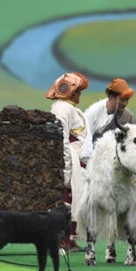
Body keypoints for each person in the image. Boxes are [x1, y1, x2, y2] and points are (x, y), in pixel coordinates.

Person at [45, 71, 91, 251]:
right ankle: (63, 240)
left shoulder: (69, 108)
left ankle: (70, 240)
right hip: (70, 159)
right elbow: (62, 138)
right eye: (78, 91)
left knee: (74, 199)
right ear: (70, 92)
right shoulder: (63, 108)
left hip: (77, 161)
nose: (80, 95)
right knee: (67, 200)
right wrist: (66, 167)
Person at [83, 78, 136, 162]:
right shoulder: (93, 113)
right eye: (122, 99)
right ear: (112, 97)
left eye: (127, 100)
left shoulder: (128, 116)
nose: (125, 103)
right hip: (93, 158)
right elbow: (85, 140)